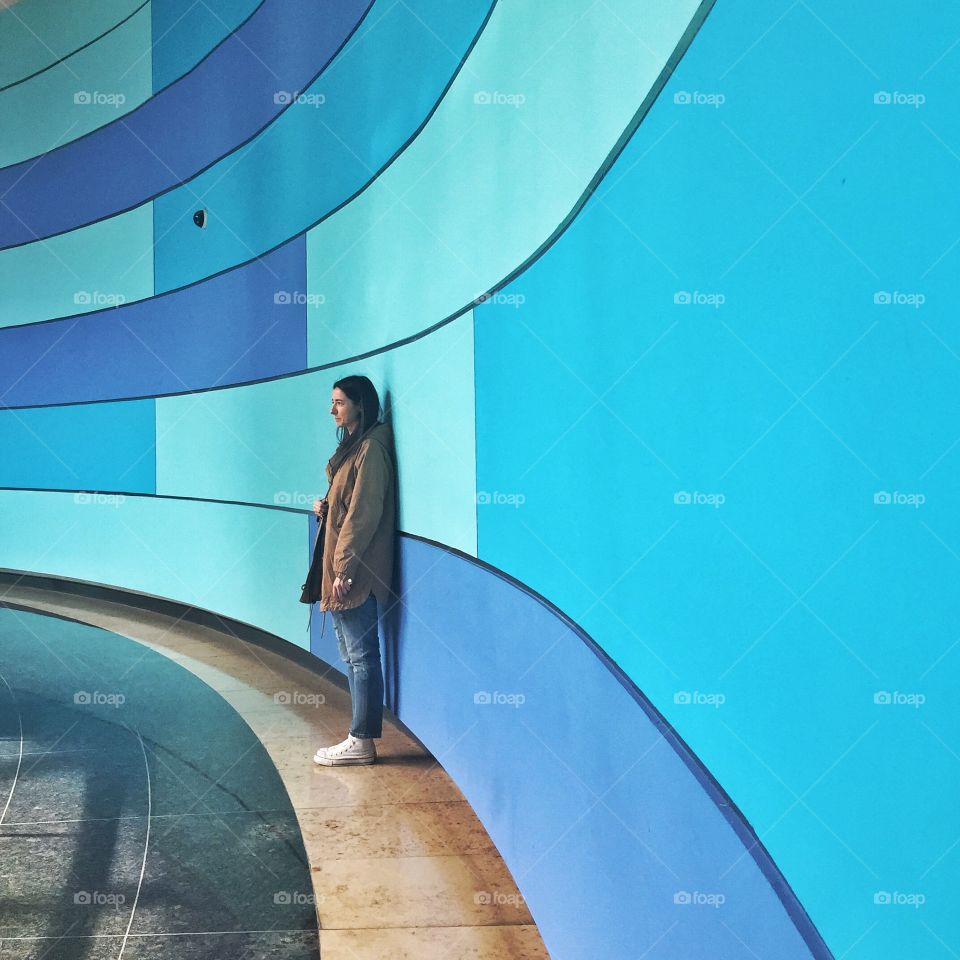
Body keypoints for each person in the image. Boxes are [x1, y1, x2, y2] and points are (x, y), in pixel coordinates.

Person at [311, 375, 396, 767]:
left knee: (362, 655)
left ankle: (362, 739)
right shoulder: (356, 447)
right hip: (346, 566)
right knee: (353, 653)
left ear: (361, 404)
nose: (332, 409)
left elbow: (364, 514)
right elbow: (348, 505)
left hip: (354, 570)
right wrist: (325, 508)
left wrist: (343, 569)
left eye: (339, 402)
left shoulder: (372, 450)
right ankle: (359, 735)